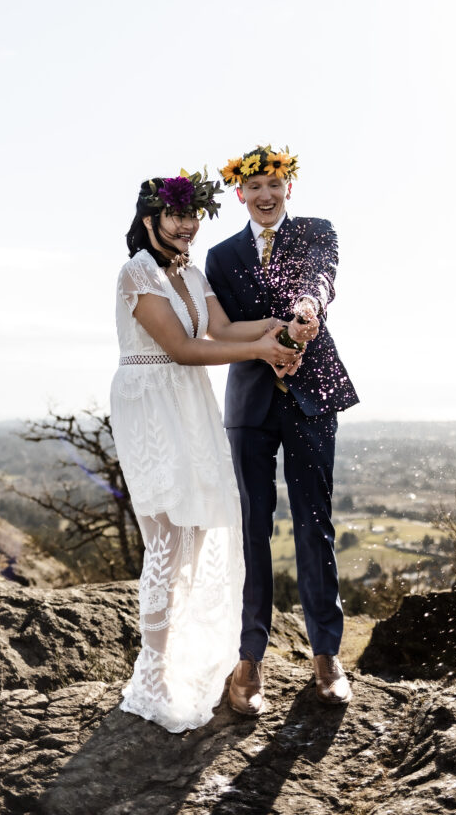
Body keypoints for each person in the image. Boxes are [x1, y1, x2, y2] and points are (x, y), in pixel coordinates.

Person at [110, 169, 300, 733]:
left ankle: (179, 652)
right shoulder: (136, 273)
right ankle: (154, 670)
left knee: (194, 535)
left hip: (188, 404)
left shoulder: (191, 273)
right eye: (176, 213)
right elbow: (184, 348)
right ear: (151, 220)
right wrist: (262, 353)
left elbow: (222, 328)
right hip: (151, 402)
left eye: (194, 213)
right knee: (167, 535)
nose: (188, 223)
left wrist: (280, 328)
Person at [205, 145, 359, 715]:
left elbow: (322, 278)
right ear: (239, 194)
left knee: (315, 523)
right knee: (251, 529)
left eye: (274, 184)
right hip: (250, 402)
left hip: (313, 398)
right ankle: (250, 659)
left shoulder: (317, 231)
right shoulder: (219, 257)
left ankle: (326, 655)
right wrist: (269, 341)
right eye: (255, 187)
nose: (265, 195)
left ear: (287, 187)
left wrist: (308, 307)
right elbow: (220, 333)